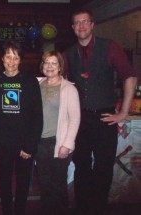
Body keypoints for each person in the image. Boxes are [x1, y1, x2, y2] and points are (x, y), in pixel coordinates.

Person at [63, 9, 138, 215]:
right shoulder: (69, 53)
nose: (81, 26)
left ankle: (98, 209)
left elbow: (130, 76)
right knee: (82, 166)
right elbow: (59, 83)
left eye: (85, 22)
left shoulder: (110, 47)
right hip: (80, 119)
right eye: (77, 23)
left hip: (105, 117)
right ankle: (82, 209)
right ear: (73, 28)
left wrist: (123, 112)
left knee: (104, 168)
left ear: (92, 24)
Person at [0, 40, 43, 215]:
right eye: (8, 57)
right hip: (2, 144)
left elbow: (37, 117)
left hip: (24, 145)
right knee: (4, 182)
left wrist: (30, 145)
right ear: (2, 58)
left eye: (16, 57)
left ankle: (19, 211)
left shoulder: (30, 82)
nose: (11, 61)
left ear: (21, 60)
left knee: (23, 182)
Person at [35, 50, 80, 215]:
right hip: (41, 143)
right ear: (42, 65)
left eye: (54, 63)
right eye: (47, 62)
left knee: (58, 184)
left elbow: (75, 119)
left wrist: (67, 145)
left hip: (58, 143)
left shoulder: (69, 89)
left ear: (60, 66)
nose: (50, 66)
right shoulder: (39, 86)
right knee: (45, 183)